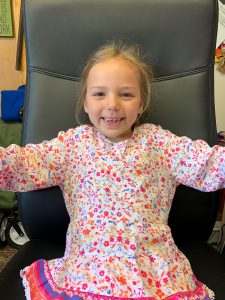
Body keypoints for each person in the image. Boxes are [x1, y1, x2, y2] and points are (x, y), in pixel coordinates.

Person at [0, 40, 224, 300]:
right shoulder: (72, 145)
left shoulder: (160, 143)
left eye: (126, 94)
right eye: (99, 94)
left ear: (141, 104)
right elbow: (24, 164)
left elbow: (209, 163)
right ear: (85, 102)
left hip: (154, 272)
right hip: (87, 271)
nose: (113, 104)